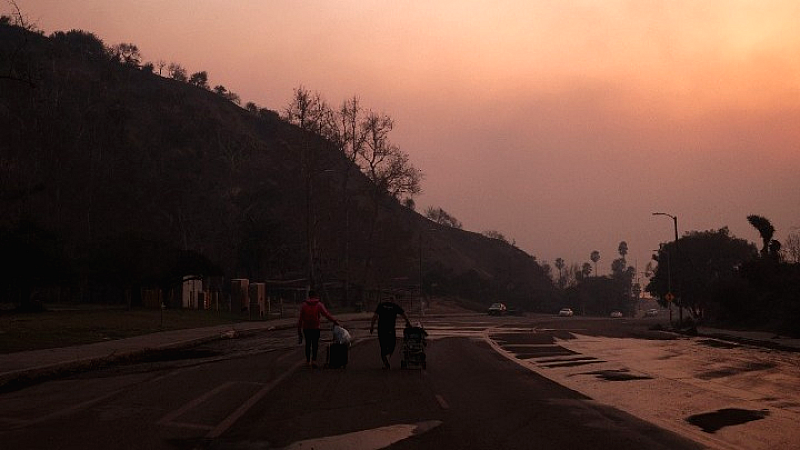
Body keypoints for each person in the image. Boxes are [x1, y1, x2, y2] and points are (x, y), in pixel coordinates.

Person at [297, 289, 338, 368]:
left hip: (306, 328)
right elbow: (326, 314)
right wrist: (334, 321)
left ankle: (308, 361)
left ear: (309, 296)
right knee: (315, 344)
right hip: (316, 327)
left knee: (308, 344)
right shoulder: (319, 304)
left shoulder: (304, 305)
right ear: (315, 296)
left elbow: (300, 318)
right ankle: (314, 361)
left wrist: (299, 330)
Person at [370, 298, 411, 369]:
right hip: (390, 329)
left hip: (381, 329)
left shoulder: (381, 305)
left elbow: (375, 317)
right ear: (393, 300)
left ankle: (385, 359)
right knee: (392, 344)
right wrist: (408, 323)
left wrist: (372, 326)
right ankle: (388, 355)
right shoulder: (395, 306)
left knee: (383, 345)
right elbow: (404, 314)